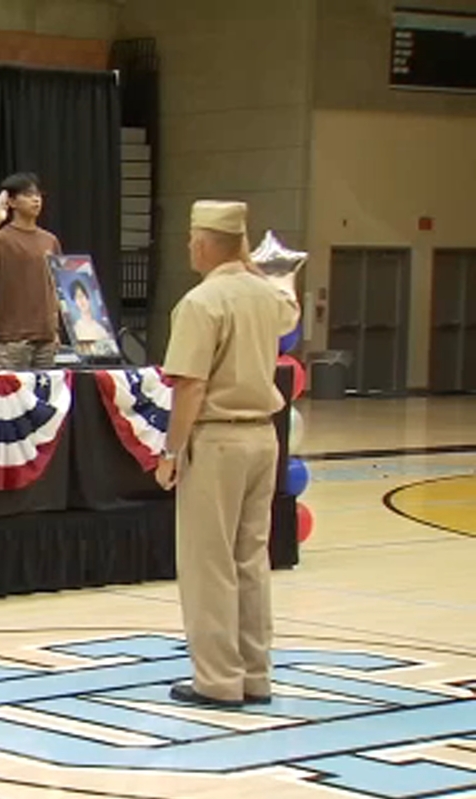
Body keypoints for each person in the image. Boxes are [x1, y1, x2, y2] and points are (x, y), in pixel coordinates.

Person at [155, 200, 301, 708]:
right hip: (264, 435)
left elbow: (189, 387)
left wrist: (171, 450)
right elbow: (289, 313)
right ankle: (255, 673)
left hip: (216, 440)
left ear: (200, 242)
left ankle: (217, 680)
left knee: (208, 562)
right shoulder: (267, 296)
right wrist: (250, 262)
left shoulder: (201, 302)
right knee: (250, 560)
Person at [0, 172, 62, 370]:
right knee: (8, 397)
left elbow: (56, 287)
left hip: (45, 337)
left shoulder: (49, 240)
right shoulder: (1, 238)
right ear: (11, 201)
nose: (36, 199)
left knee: (45, 397)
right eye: (28, 195)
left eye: (38, 195)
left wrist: (55, 329)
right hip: (9, 340)